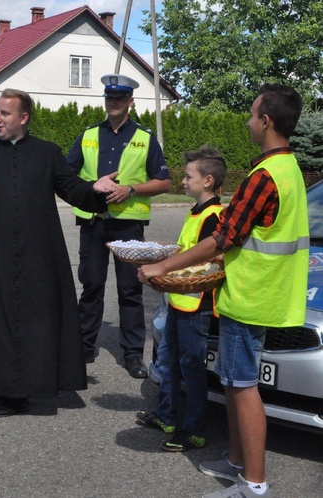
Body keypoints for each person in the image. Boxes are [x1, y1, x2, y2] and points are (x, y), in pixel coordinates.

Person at [139, 83, 307, 498]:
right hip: (261, 293)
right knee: (234, 382)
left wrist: (162, 265)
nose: (248, 121)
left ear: (266, 121)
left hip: (251, 296)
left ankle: (253, 483)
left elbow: (223, 238)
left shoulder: (264, 175)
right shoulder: (289, 169)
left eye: (252, 115)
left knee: (243, 386)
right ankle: (236, 462)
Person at [0, 88, 119, 417]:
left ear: (23, 118)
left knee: (34, 320)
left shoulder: (47, 153)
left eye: (5, 113)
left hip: (36, 253)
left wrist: (94, 189)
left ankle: (27, 390)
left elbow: (71, 188)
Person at [66, 73, 172, 378]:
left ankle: (133, 354)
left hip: (128, 226)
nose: (114, 102)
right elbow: (67, 176)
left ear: (130, 102)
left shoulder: (144, 137)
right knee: (91, 286)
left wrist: (132, 190)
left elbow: (164, 181)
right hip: (94, 222)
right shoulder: (87, 135)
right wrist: (91, 186)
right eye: (110, 97)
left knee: (130, 291)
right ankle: (84, 347)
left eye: (120, 98)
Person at [135, 147, 226, 451]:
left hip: (195, 304)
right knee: (169, 360)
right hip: (178, 300)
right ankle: (167, 416)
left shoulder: (214, 217)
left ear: (208, 181)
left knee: (191, 366)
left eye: (189, 176)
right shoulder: (197, 211)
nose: (183, 181)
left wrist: (167, 271)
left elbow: (206, 260)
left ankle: (195, 430)